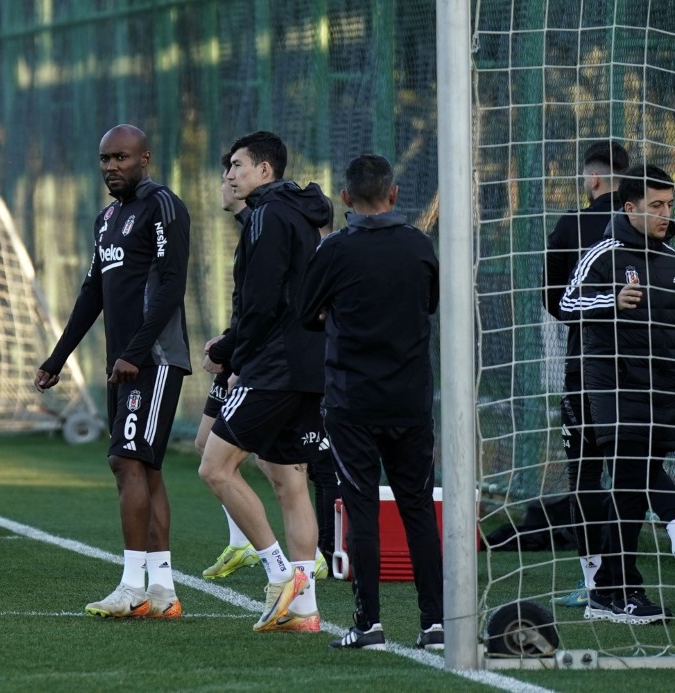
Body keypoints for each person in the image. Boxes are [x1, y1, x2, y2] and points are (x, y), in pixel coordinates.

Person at [35, 124, 191, 619]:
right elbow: (92, 294)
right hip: (122, 364)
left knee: (125, 462)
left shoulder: (163, 206)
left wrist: (137, 352)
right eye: (104, 159)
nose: (110, 167)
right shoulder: (106, 219)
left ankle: (132, 586)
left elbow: (170, 285)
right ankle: (162, 590)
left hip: (154, 360)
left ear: (145, 157)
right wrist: (56, 359)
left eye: (120, 158)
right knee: (145, 468)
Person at [299, 154, 443, 650]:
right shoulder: (419, 246)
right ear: (395, 193)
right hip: (409, 401)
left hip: (352, 402)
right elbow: (428, 304)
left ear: (345, 199)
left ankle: (369, 624)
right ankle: (435, 624)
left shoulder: (336, 250)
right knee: (418, 508)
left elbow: (304, 312)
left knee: (361, 510)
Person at [198, 131, 331, 633]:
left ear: (265, 171)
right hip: (307, 366)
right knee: (287, 481)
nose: (229, 174)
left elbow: (262, 298)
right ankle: (305, 608)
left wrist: (230, 350)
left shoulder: (267, 215)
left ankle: (279, 575)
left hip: (273, 366)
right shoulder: (302, 212)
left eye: (237, 165)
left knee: (214, 466)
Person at [560, 164, 675, 625]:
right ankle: (620, 592)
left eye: (670, 205)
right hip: (615, 390)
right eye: (656, 206)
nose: (665, 213)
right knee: (634, 480)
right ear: (630, 208)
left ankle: (608, 592)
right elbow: (568, 302)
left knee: (630, 490)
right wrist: (613, 301)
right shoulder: (604, 252)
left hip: (661, 389)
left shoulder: (670, 255)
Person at [542, 141, 628, 606]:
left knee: (586, 473)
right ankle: (625, 576)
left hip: (588, 369)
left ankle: (596, 580)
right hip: (647, 369)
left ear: (593, 179)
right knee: (643, 471)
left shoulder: (574, 224)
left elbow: (555, 302)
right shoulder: (649, 225)